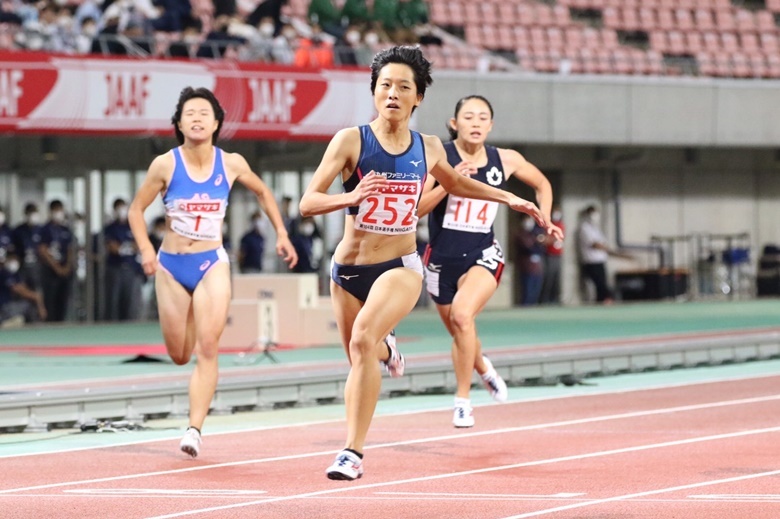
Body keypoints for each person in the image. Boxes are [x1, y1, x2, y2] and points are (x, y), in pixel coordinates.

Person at [299, 46, 547, 481]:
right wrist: (351, 196)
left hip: (399, 265)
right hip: (347, 270)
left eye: (403, 87)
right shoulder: (350, 141)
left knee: (361, 343)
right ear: (374, 91)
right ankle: (388, 347)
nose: (392, 93)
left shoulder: (428, 147)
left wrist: (511, 197)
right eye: (385, 85)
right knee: (362, 355)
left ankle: (351, 454)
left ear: (419, 98)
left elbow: (459, 184)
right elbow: (307, 202)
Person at [128, 86, 298, 458]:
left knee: (208, 347)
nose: (197, 118)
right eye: (190, 113)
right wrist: (145, 250)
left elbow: (263, 193)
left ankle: (194, 429)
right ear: (178, 123)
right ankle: (188, 320)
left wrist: (282, 234)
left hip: (211, 264)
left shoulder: (231, 162)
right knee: (179, 353)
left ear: (217, 123)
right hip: (171, 267)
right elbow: (135, 210)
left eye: (205, 113)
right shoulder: (165, 165)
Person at [418, 94, 563, 428]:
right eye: (468, 117)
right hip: (440, 260)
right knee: (460, 330)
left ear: (491, 125)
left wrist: (543, 215)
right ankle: (483, 367)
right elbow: (418, 208)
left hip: (484, 254)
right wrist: (449, 181)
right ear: (454, 124)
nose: (476, 123)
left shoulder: (505, 159)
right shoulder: (438, 155)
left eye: (483, 117)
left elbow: (541, 183)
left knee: (462, 316)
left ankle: (462, 402)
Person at [576, 204, 630, 304]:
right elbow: (595, 244)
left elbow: (603, 244)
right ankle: (604, 301)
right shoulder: (584, 228)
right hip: (591, 263)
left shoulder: (596, 229)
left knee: (602, 287)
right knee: (601, 286)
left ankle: (603, 302)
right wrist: (612, 251)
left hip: (600, 261)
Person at [104, 198, 145, 321]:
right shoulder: (110, 228)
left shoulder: (133, 226)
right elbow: (113, 248)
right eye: (119, 208)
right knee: (114, 300)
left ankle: (130, 326)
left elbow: (139, 245)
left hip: (132, 269)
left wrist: (123, 247)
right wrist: (127, 247)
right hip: (115, 268)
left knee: (131, 301)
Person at [38, 200, 74, 322]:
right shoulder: (45, 229)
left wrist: (67, 267)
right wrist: (56, 267)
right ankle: (50, 323)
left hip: (64, 270)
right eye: (56, 210)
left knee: (63, 300)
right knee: (50, 300)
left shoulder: (65, 230)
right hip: (50, 271)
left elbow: (70, 249)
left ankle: (61, 322)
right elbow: (43, 250)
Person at [0, 251, 47, 327]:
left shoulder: (11, 273)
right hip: (4, 307)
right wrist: (38, 298)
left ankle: (11, 321)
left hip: (7, 306)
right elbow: (19, 291)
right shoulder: (4, 273)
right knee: (29, 305)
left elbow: (22, 287)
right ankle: (38, 326)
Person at [513, 214, 547, 306]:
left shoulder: (535, 232)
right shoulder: (520, 234)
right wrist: (537, 241)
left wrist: (539, 241)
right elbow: (528, 247)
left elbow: (543, 245)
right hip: (526, 266)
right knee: (527, 290)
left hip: (537, 266)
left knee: (536, 290)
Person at [12, 202, 43, 292]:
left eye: (34, 212)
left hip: (38, 266)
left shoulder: (41, 230)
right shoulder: (18, 231)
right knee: (23, 289)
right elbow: (14, 249)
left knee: (39, 290)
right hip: (23, 265)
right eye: (30, 213)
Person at [540, 205, 564, 304]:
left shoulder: (561, 225)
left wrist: (549, 240)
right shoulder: (548, 225)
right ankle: (545, 299)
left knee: (556, 278)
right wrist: (548, 240)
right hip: (549, 255)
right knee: (548, 278)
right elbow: (544, 240)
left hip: (558, 255)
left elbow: (557, 238)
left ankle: (554, 299)